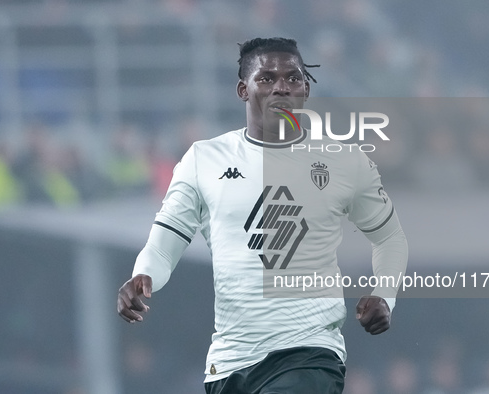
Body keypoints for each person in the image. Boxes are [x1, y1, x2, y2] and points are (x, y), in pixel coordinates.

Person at [117, 37, 408, 394]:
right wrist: (142, 275)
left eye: (293, 77)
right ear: (243, 89)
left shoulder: (345, 161)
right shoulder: (204, 160)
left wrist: (384, 294)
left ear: (306, 90)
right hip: (229, 362)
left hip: (309, 354)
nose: (281, 86)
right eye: (267, 78)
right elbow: (165, 245)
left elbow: (389, 237)